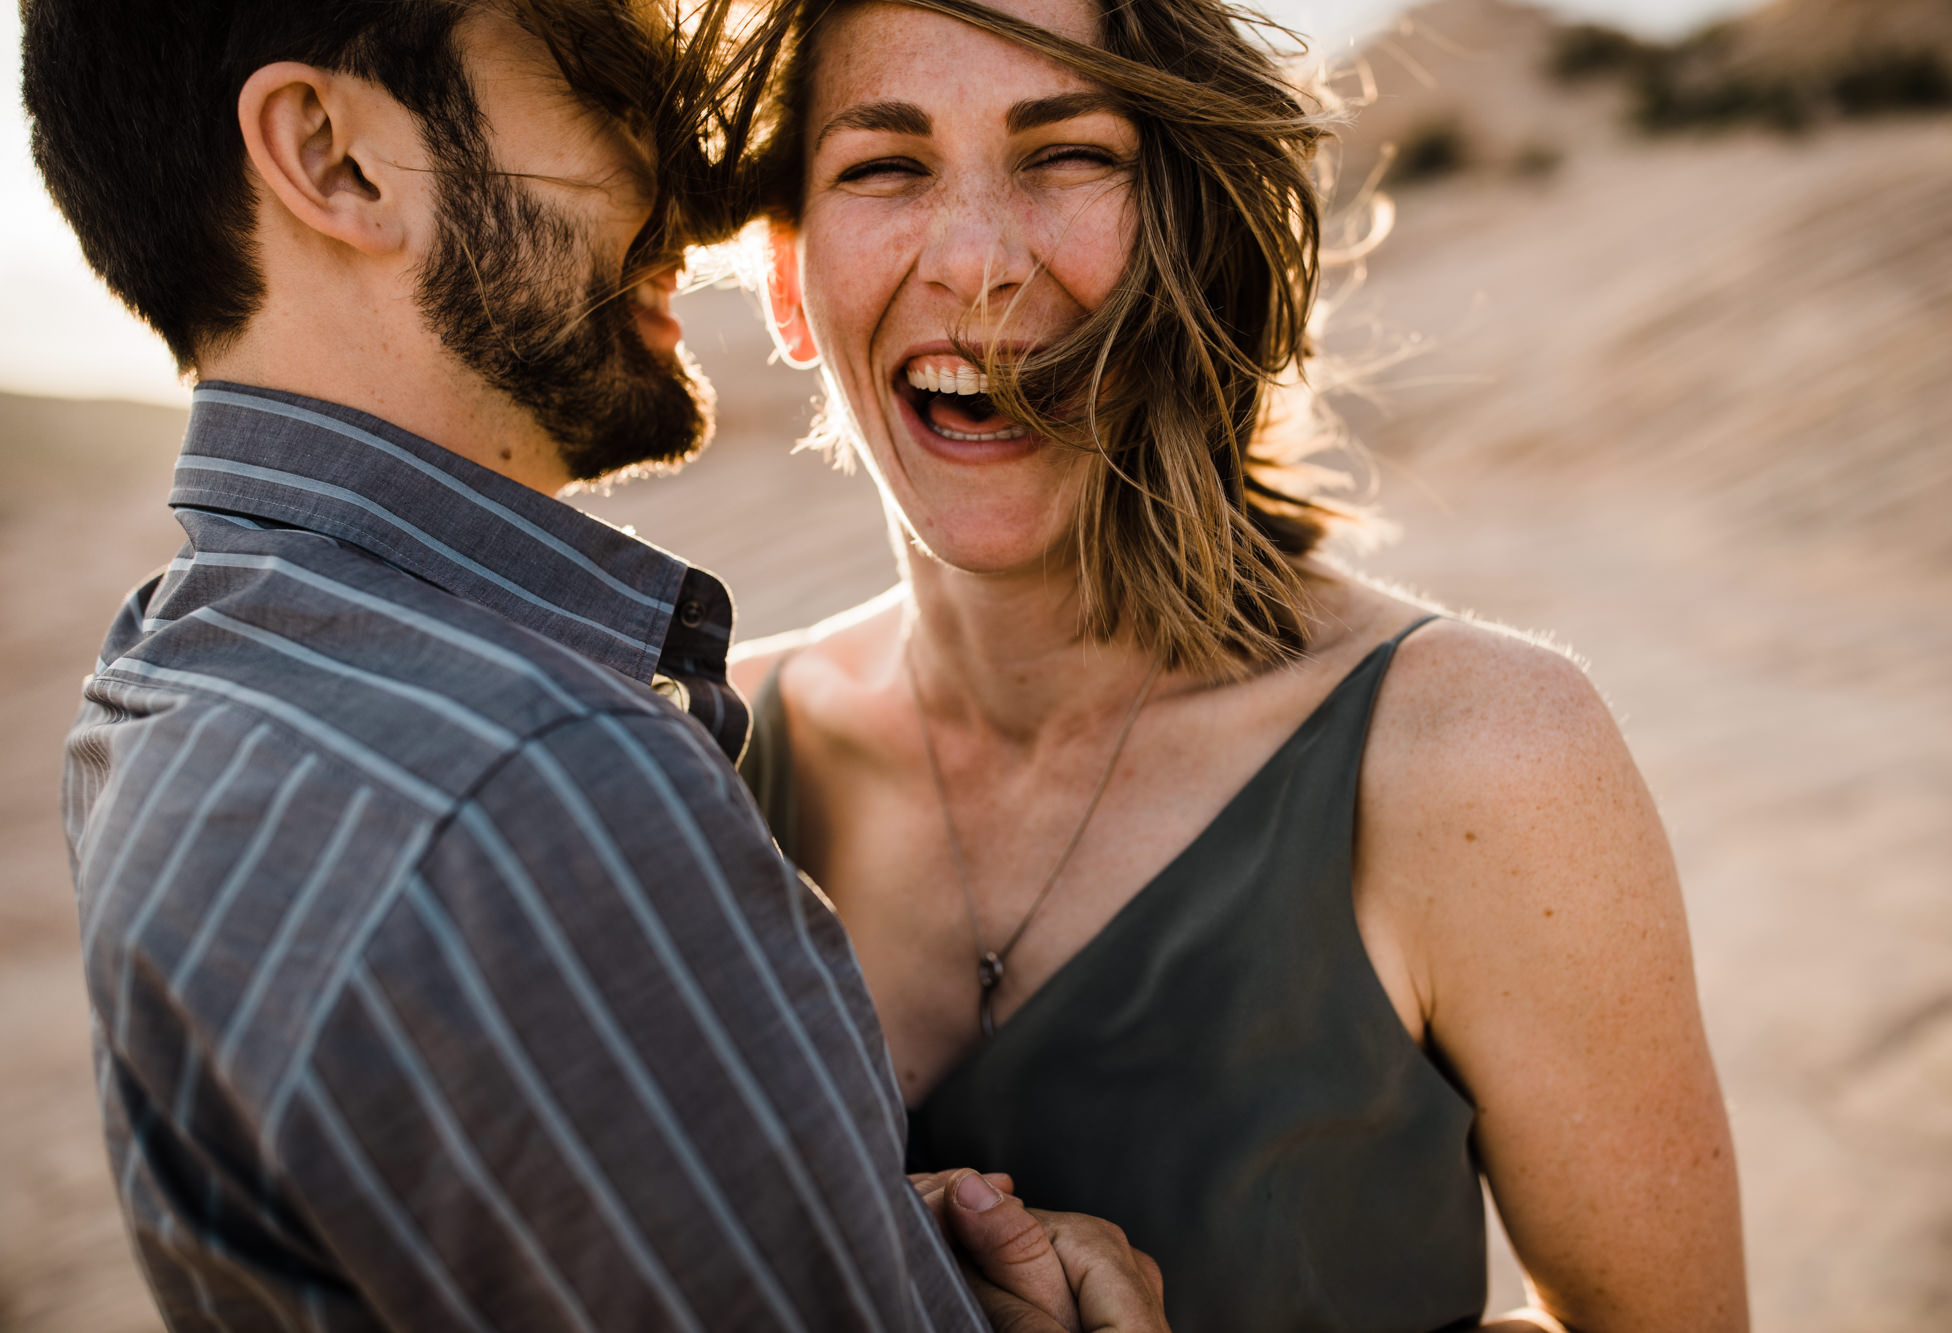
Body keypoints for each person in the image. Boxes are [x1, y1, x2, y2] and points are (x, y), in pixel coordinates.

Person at [26, 0, 1169, 1328]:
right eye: (608, 82)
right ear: (335, 160)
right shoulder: (538, 790)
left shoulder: (161, 689)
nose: (692, 195)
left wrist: (824, 1222)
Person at [731, 0, 1751, 1328]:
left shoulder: (1480, 758)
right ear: (784, 281)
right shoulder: (698, 758)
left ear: (1192, 238)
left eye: (1068, 154)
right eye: (885, 166)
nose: (974, 261)